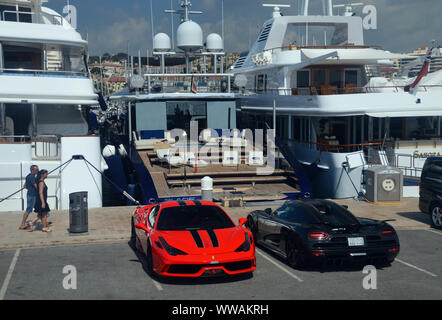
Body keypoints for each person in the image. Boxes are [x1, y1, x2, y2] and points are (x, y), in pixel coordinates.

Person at [19, 165, 39, 230]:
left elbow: (25, 186)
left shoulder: (28, 176)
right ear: (32, 170)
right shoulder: (32, 177)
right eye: (36, 170)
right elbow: (36, 186)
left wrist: (30, 188)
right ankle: (22, 224)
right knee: (28, 210)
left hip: (30, 194)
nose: (38, 171)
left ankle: (44, 221)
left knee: (41, 208)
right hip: (32, 195)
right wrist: (41, 192)